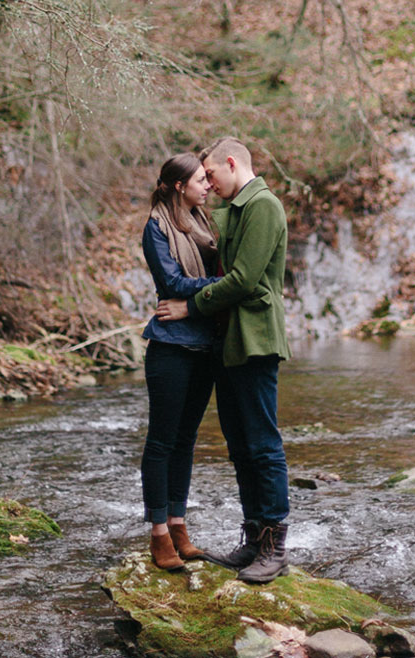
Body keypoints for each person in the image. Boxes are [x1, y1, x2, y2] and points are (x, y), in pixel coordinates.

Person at [157, 136, 290, 584]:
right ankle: (253, 539)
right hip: (230, 340)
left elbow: (243, 279)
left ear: (231, 163)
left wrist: (189, 307)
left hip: (255, 338)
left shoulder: (263, 206)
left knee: (263, 446)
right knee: (239, 448)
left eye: (211, 174)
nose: (208, 184)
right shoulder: (234, 209)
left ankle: (274, 548)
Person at [140, 152, 220, 571]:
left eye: (209, 179)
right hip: (170, 346)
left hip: (204, 344)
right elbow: (170, 282)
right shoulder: (156, 228)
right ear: (178, 185)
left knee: (186, 441)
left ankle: (179, 525)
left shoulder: (204, 226)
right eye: (200, 180)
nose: (207, 185)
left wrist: (205, 294)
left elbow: (195, 284)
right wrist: (224, 285)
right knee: (162, 442)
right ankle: (157, 534)